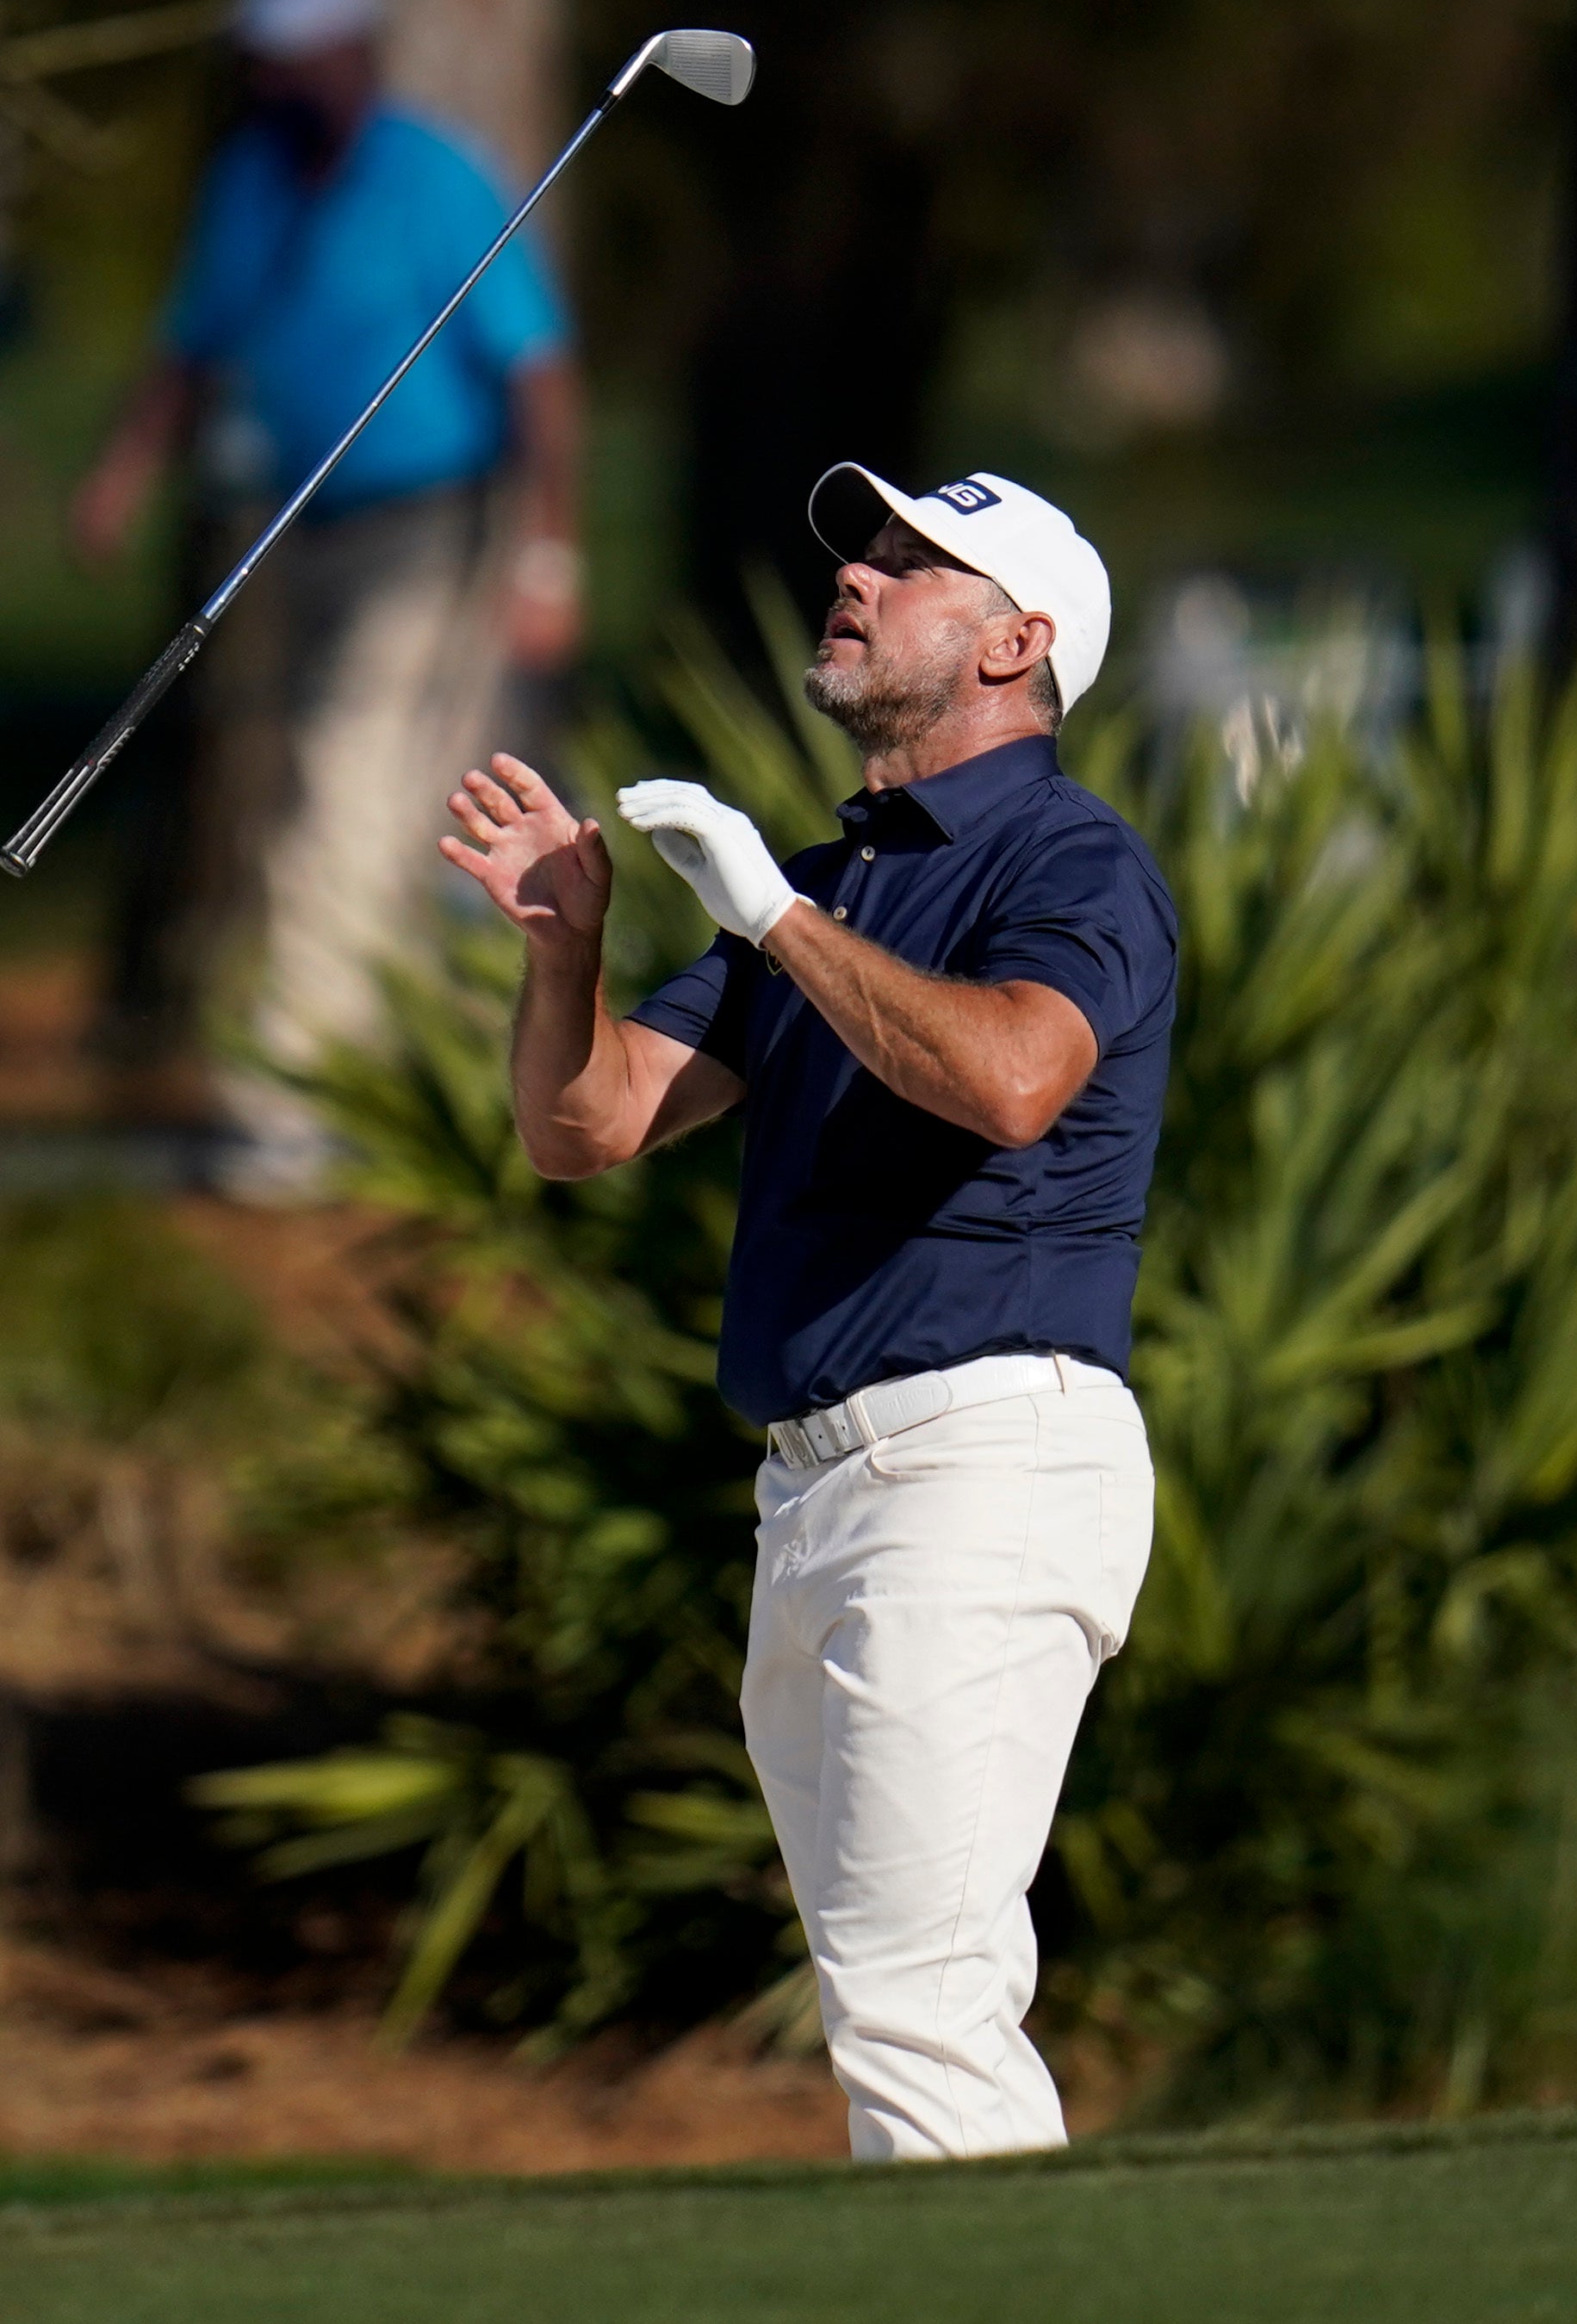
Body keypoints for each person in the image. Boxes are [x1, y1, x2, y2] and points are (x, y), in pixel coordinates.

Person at [438, 463, 1176, 2160]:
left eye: (914, 563)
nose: (855, 574)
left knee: (921, 2005)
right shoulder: (830, 881)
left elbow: (1004, 1078)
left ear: (1018, 646)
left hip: (984, 1460)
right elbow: (587, 1125)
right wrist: (570, 953)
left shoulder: (1071, 858)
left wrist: (768, 919)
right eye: (860, 548)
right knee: (883, 2007)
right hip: (821, 1493)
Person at [72, 0, 584, 1184]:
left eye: (299, 62)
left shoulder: (435, 179)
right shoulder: (252, 179)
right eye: (267, 63)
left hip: (433, 529)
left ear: (353, 57)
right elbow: (194, 340)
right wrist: (125, 473)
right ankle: (411, 1082)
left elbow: (537, 373)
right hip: (301, 532)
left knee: (344, 793)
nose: (279, 85)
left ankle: (293, 1111)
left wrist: (550, 558)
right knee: (378, 808)